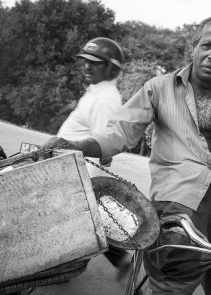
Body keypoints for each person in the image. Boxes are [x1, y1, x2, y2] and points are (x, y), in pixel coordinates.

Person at [42, 16, 211, 295]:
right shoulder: (159, 88)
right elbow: (120, 133)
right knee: (171, 283)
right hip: (178, 210)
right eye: (207, 45)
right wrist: (78, 145)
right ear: (194, 46)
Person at [55, 37, 132, 279]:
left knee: (79, 220)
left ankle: (68, 266)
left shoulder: (106, 100)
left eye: (95, 63)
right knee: (82, 222)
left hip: (78, 174)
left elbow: (102, 150)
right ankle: (117, 258)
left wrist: (87, 192)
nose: (87, 67)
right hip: (67, 169)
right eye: (85, 61)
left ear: (111, 68)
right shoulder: (96, 92)